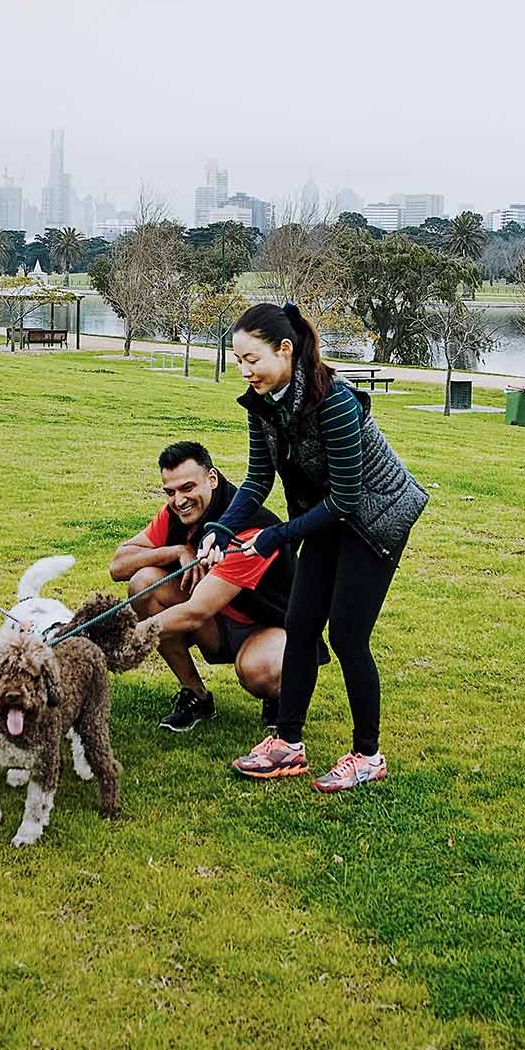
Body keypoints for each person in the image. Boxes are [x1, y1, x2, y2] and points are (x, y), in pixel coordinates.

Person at [198, 301, 427, 792]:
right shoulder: (261, 406)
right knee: (300, 624)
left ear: (285, 350)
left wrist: (274, 537)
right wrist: (218, 528)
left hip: (374, 519)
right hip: (322, 517)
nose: (245, 370)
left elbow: (346, 499)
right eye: (238, 360)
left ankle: (368, 755)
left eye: (252, 360)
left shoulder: (335, 401)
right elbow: (258, 480)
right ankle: (288, 743)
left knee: (347, 636)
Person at [109, 441, 300, 733]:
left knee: (259, 670)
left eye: (187, 488)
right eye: (170, 492)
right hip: (218, 622)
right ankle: (195, 695)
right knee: (143, 583)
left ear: (212, 478)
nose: (179, 500)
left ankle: (281, 694)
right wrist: (175, 551)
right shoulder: (176, 513)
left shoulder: (248, 527)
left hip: (268, 626)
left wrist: (122, 638)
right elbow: (119, 566)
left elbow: (196, 611)